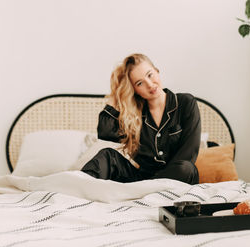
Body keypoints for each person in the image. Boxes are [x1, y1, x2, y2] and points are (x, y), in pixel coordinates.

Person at [81, 53, 201, 185]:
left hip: (175, 178)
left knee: (186, 168)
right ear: (134, 90)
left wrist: (152, 183)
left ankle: (142, 191)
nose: (149, 85)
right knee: (107, 156)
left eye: (150, 75)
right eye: (139, 83)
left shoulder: (185, 103)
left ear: (156, 70)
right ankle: (73, 190)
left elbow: (188, 154)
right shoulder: (134, 115)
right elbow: (105, 132)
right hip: (140, 180)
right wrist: (117, 93)